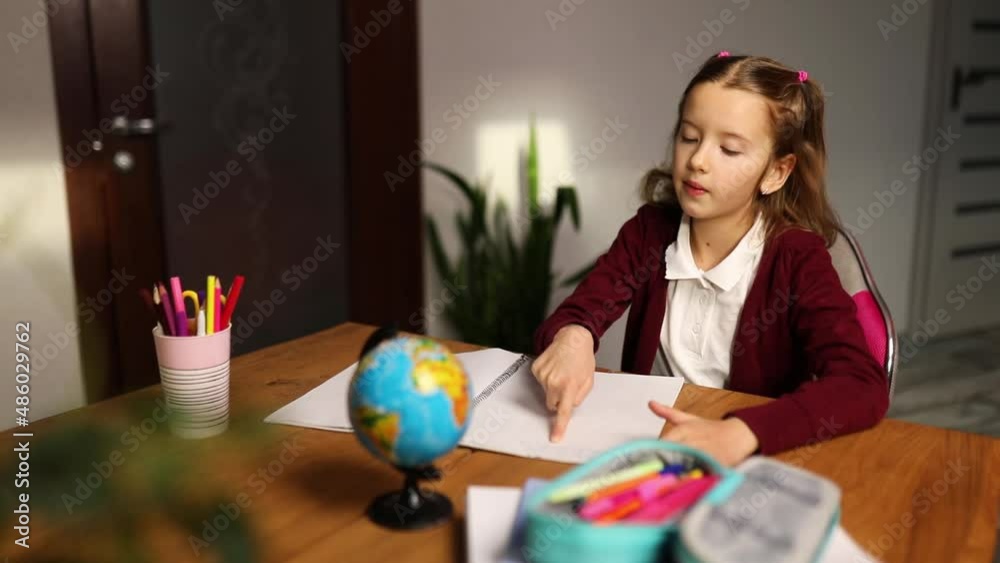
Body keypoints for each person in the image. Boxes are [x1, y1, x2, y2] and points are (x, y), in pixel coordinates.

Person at [531, 52, 889, 466]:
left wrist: (745, 432)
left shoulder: (797, 259)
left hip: (751, 460)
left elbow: (861, 385)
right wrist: (573, 336)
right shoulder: (649, 232)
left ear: (776, 172)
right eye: (689, 137)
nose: (698, 160)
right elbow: (580, 312)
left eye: (730, 149)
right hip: (657, 447)